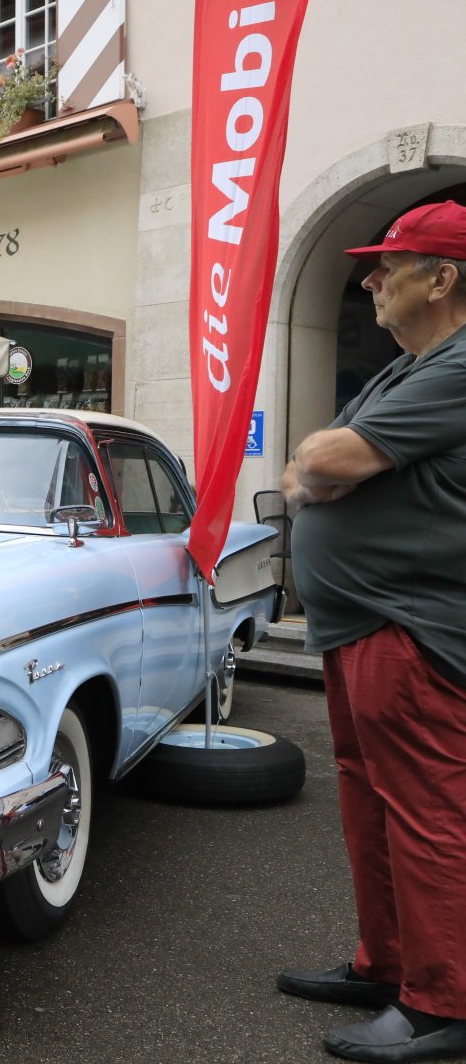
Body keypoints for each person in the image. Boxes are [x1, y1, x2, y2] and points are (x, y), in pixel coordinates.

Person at [277, 201, 466, 1063]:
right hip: (361, 624)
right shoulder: (406, 369)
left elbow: (320, 460)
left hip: (410, 626)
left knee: (427, 813)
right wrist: (324, 470)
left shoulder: (458, 365)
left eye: (390, 265)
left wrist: (326, 469)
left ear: (443, 277)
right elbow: (306, 463)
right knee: (368, 800)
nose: (371, 280)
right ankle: (387, 963)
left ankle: (443, 1005)